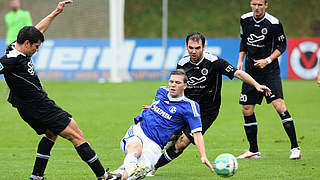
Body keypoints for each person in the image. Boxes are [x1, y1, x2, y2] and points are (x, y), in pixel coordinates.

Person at [0, 1, 113, 180]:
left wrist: (56, 12)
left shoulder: (16, 46)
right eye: (36, 47)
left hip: (27, 106)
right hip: (39, 105)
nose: (37, 50)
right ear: (27, 43)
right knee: (76, 134)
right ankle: (104, 176)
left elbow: (38, 29)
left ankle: (36, 176)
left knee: (52, 134)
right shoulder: (10, 59)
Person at [149, 32, 271, 175]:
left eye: (197, 48)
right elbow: (176, 85)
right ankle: (153, 157)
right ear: (186, 47)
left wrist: (256, 85)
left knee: (183, 142)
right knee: (169, 136)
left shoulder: (214, 62)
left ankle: (153, 167)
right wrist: (160, 104)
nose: (194, 51)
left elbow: (238, 73)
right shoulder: (182, 63)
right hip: (186, 107)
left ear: (204, 47)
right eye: (191, 47)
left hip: (206, 111)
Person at [108, 69, 214, 180]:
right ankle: (130, 168)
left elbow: (197, 133)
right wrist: (152, 108)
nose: (173, 85)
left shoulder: (190, 106)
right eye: (171, 81)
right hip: (139, 131)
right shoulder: (162, 91)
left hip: (155, 146)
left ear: (185, 86)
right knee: (135, 149)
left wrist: (203, 156)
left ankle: (116, 175)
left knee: (128, 176)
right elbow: (157, 105)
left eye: (177, 83)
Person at [236, 0, 301, 160]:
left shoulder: (274, 23)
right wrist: (240, 61)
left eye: (260, 4)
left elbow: (282, 45)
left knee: (279, 106)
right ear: (250, 4)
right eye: (254, 4)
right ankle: (253, 150)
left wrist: (268, 60)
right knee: (247, 109)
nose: (256, 7)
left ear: (266, 5)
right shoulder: (244, 19)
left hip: (269, 72)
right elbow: (244, 41)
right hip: (251, 72)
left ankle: (295, 148)